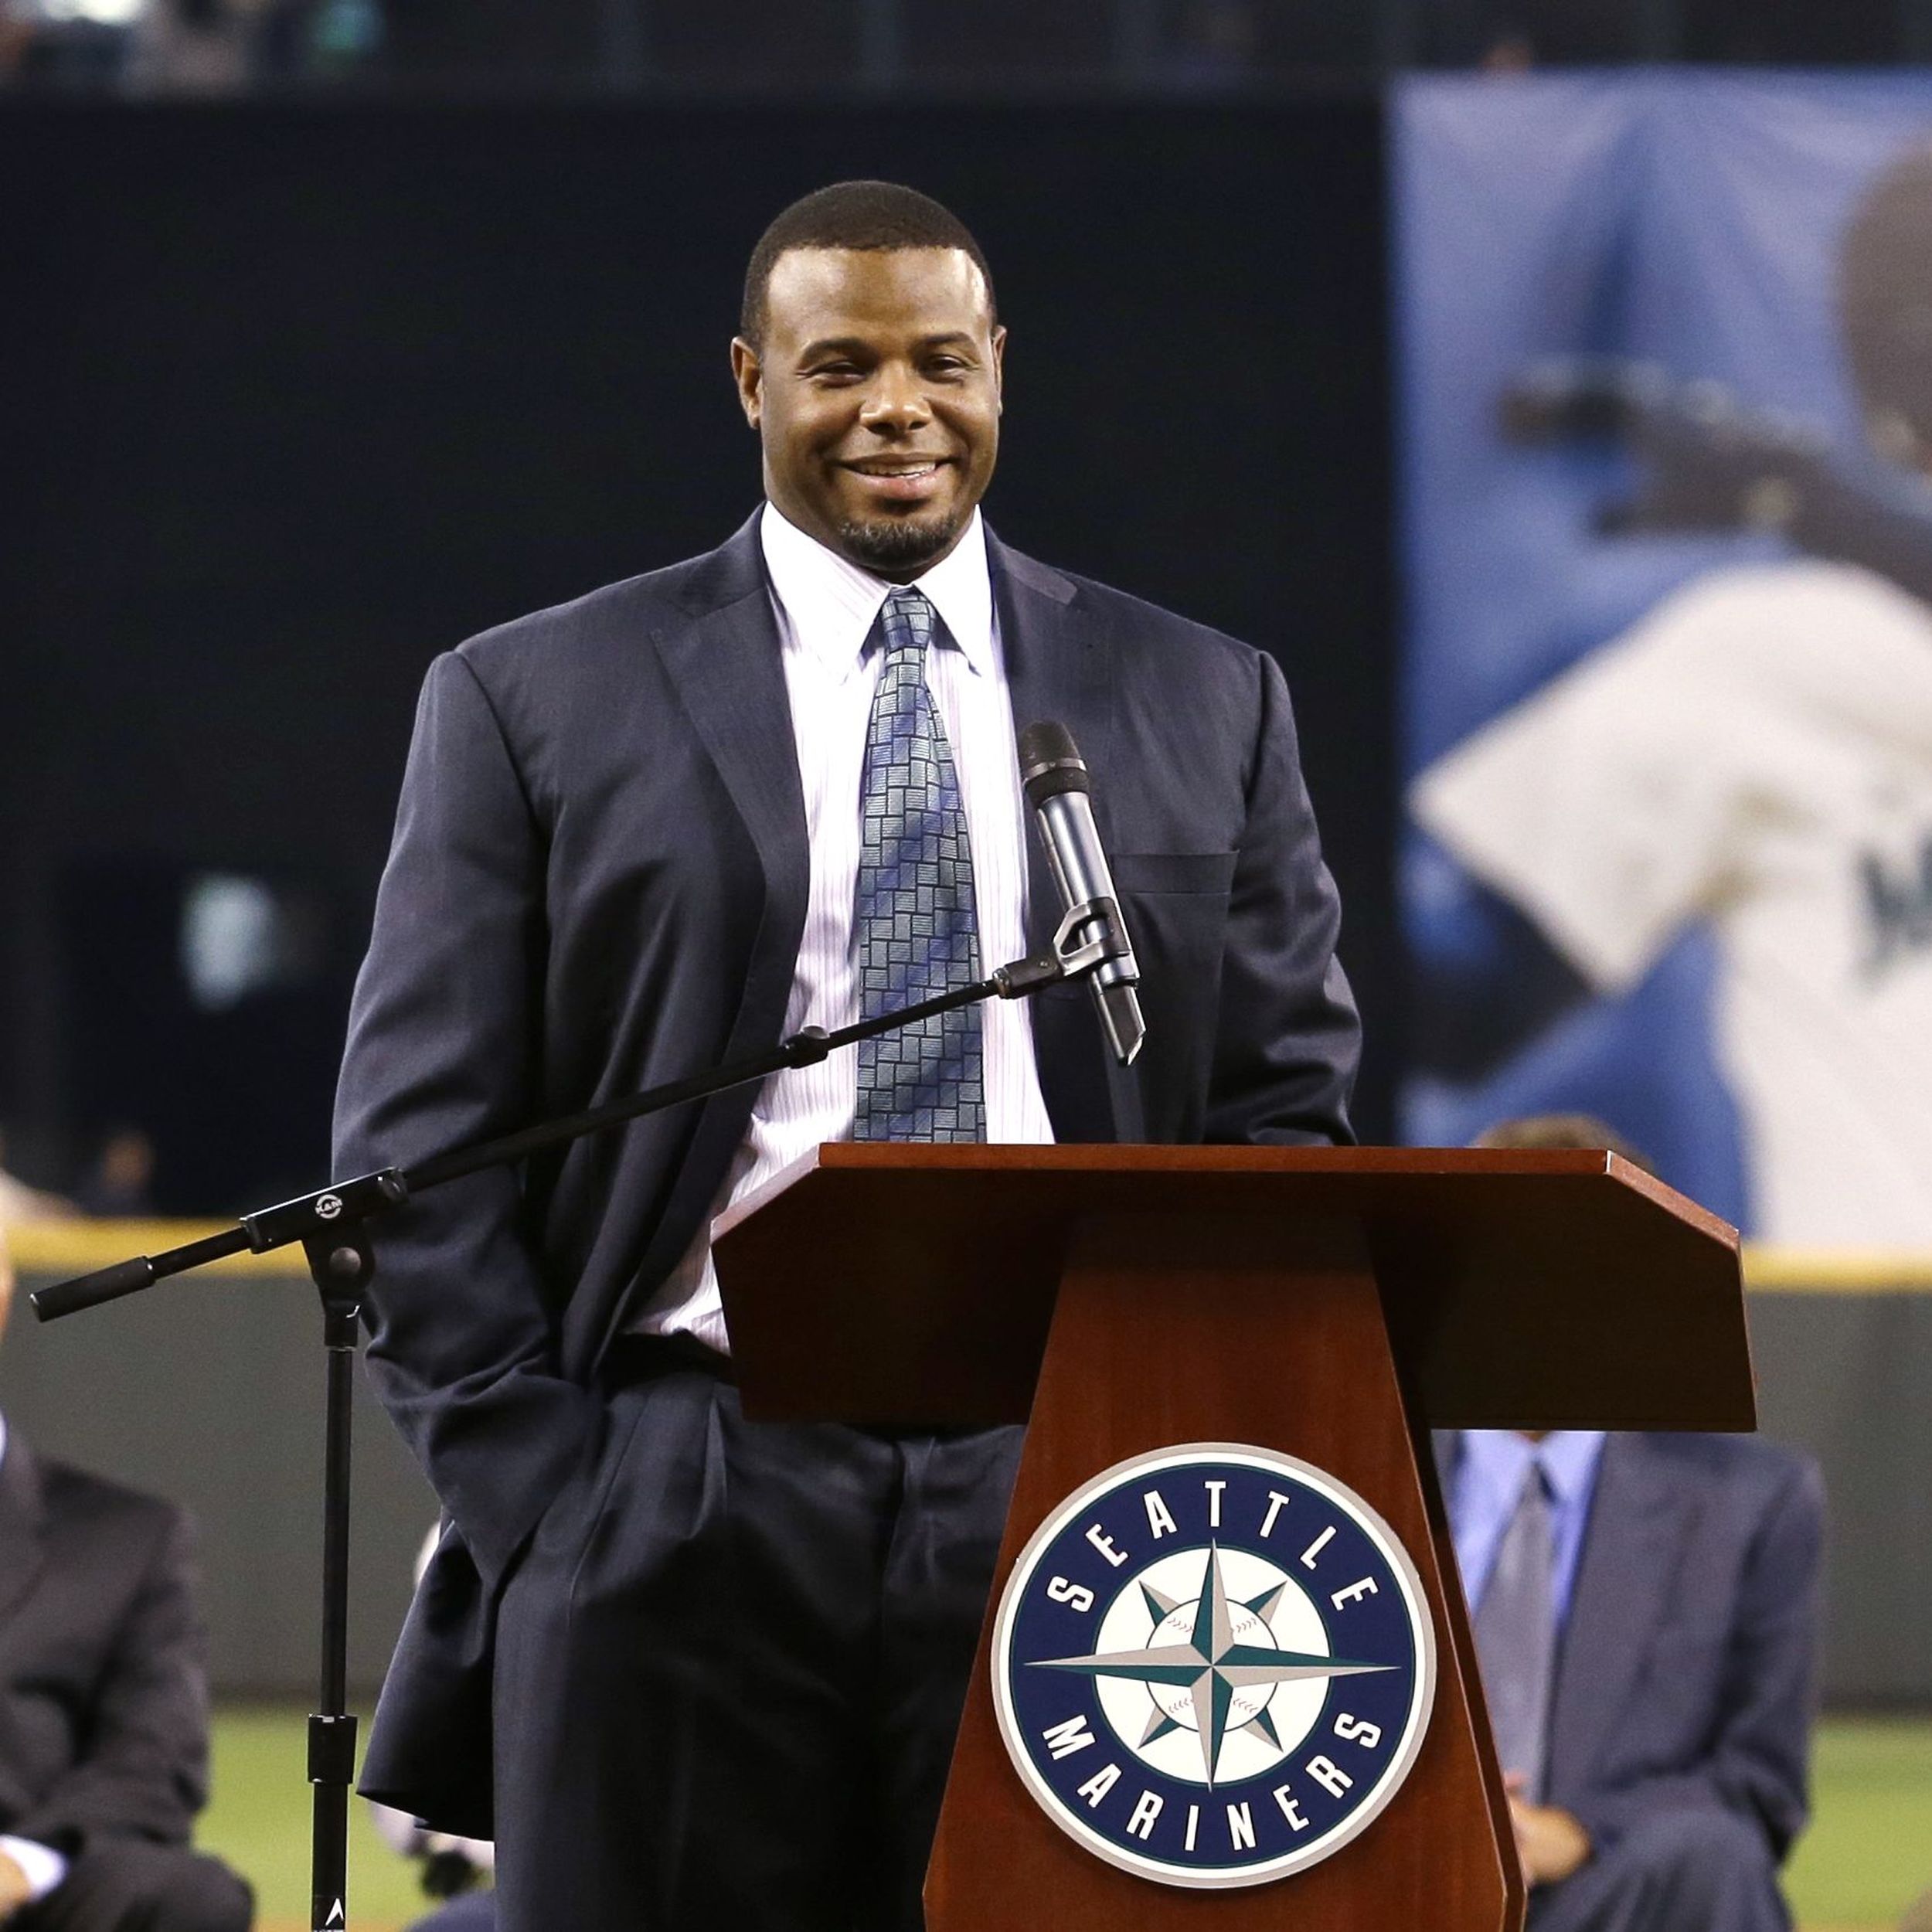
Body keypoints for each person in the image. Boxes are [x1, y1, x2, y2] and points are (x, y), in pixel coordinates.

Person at [334, 178, 1359, 1931]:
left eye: (939, 362)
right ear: (752, 380)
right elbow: (418, 1154)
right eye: (841, 365)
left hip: (1073, 1490)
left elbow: (1283, 1121)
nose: (898, 405)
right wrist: (553, 1501)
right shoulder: (533, 695)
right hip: (682, 1477)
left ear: (999, 374)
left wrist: (1188, 1445)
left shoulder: (1202, 694)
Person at [1411, 140, 1932, 1245]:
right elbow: (1453, 984)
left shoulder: (1771, 635)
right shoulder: (1774, 655)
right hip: (1879, 1354)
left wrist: (1796, 492)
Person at [1442, 1116, 1823, 1932]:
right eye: (1502, 1253)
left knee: (1716, 1860)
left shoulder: (1751, 1502)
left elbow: (1756, 1784)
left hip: (1601, 1889)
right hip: (1384, 1880)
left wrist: (1572, 1834)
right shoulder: (1353, 1467)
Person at [0, 1230, 253, 1932]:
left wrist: (21, 1862)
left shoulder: (126, 1538)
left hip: (29, 1884)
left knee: (190, 1896)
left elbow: (152, 1763)